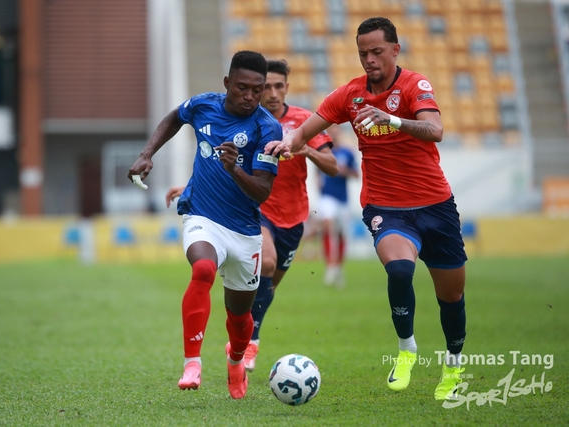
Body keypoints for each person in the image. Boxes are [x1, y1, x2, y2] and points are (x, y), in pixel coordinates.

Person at [264, 17, 468, 401]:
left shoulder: (415, 85)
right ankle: (406, 349)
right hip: (385, 207)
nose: (369, 59)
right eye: (363, 53)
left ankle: (454, 364)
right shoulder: (350, 94)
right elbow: (306, 129)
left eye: (376, 52)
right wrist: (288, 142)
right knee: (399, 269)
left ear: (395, 50)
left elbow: (435, 129)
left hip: (435, 205)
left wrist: (391, 119)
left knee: (451, 297)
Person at [166, 59, 339, 374]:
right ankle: (247, 346)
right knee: (266, 264)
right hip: (256, 213)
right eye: (265, 87)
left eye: (277, 86)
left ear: (286, 88)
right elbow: (213, 159)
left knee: (265, 288)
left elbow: (333, 166)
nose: (270, 93)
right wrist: (190, 186)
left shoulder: (301, 122)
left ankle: (245, 338)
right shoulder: (236, 118)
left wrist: (306, 150)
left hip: (292, 216)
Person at [128, 50, 282, 400]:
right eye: (242, 88)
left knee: (240, 317)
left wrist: (234, 169)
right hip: (202, 216)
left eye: (257, 90)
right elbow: (174, 118)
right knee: (202, 269)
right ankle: (192, 364)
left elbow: (262, 191)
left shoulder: (268, 128)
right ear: (227, 83)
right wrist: (147, 153)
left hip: (244, 231)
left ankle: (236, 359)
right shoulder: (203, 105)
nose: (250, 96)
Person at [317, 125, 359, 288]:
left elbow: (356, 174)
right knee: (328, 226)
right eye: (330, 131)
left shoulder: (347, 153)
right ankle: (330, 265)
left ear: (339, 133)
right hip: (326, 197)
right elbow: (318, 173)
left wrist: (343, 171)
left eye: (335, 130)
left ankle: (338, 267)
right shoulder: (323, 152)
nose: (333, 133)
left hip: (343, 198)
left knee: (341, 233)